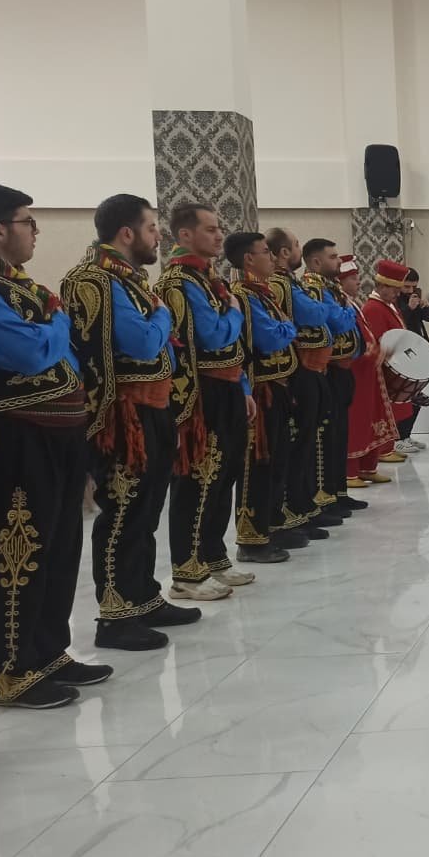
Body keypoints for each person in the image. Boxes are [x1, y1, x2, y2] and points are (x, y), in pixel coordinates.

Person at [0, 184, 108, 708]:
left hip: (59, 434)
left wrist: (50, 322)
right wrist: (57, 322)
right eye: (27, 222)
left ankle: (47, 652)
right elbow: (29, 351)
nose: (35, 232)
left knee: (60, 546)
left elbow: (61, 352)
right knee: (18, 552)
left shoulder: (25, 289)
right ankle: (10, 670)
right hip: (16, 438)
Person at [61, 193, 194, 650]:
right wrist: (162, 315)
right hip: (123, 415)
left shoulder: (128, 280)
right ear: (126, 233)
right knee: (122, 512)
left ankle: (143, 597)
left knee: (147, 509)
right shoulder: (96, 279)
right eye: (152, 228)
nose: (158, 237)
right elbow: (141, 343)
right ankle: (115, 616)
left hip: (152, 408)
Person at [158, 203, 253, 603]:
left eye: (218, 228)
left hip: (227, 387)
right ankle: (186, 571)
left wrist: (243, 387)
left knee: (224, 475)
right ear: (184, 235)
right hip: (201, 393)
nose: (219, 235)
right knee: (197, 479)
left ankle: (214, 557)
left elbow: (231, 346)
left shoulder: (207, 278)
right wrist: (234, 314)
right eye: (210, 229)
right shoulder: (179, 282)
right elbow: (214, 336)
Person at [268, 228, 348, 543]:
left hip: (313, 370)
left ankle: (305, 506)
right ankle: (295, 507)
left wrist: (329, 310)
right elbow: (315, 314)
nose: (299, 250)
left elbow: (326, 315)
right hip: (300, 370)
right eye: (296, 245)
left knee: (313, 441)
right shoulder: (282, 284)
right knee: (301, 444)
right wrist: (331, 309)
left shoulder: (292, 283)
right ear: (284, 253)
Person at [228, 230, 300, 564]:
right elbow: (273, 337)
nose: (271, 258)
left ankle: (272, 525)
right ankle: (251, 539)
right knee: (257, 466)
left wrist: (286, 329)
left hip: (278, 386)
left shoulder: (264, 294)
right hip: (261, 390)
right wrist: (287, 329)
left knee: (278, 462)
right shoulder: (244, 296)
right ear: (249, 259)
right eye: (265, 253)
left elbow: (284, 330)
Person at [310, 249, 366, 519]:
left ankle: (339, 491)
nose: (338, 261)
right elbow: (339, 322)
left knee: (340, 435)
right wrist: (346, 310)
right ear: (316, 260)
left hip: (343, 369)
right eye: (332, 257)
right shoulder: (316, 289)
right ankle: (325, 496)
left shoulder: (331, 290)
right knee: (327, 437)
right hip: (329, 369)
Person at [349, 259, 411, 478]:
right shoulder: (374, 308)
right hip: (372, 368)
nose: (397, 293)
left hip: (378, 365)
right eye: (394, 289)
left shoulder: (384, 305)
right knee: (370, 416)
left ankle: (372, 462)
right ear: (383, 286)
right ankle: (369, 460)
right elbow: (376, 339)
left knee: (378, 415)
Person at [393, 266, 429, 453]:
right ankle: (398, 438)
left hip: (419, 350)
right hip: (403, 353)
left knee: (417, 397)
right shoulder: (394, 301)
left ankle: (407, 434)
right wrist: (408, 308)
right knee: (404, 397)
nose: (410, 291)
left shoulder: (415, 297)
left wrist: (426, 306)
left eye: (414, 287)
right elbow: (399, 324)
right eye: (407, 287)